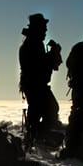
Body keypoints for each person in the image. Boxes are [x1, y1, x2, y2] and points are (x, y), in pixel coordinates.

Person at [18, 13, 63, 147]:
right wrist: (52, 55)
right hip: (35, 84)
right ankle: (37, 137)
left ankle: (35, 137)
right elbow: (37, 65)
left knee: (38, 110)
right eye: (44, 27)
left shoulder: (34, 42)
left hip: (34, 84)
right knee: (47, 109)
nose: (46, 30)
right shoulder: (33, 44)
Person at [58, 32, 83, 160]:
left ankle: (72, 145)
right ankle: (80, 147)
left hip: (77, 87)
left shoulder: (78, 50)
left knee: (77, 114)